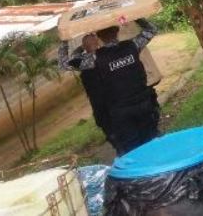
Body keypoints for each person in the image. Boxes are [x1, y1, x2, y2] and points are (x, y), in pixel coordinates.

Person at [58, 18, 160, 155]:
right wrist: (135, 16)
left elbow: (64, 63)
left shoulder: (94, 59)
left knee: (133, 149)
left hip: (121, 112)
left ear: (98, 37)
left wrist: (66, 40)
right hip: (144, 103)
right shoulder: (132, 45)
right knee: (152, 140)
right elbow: (152, 29)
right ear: (117, 30)